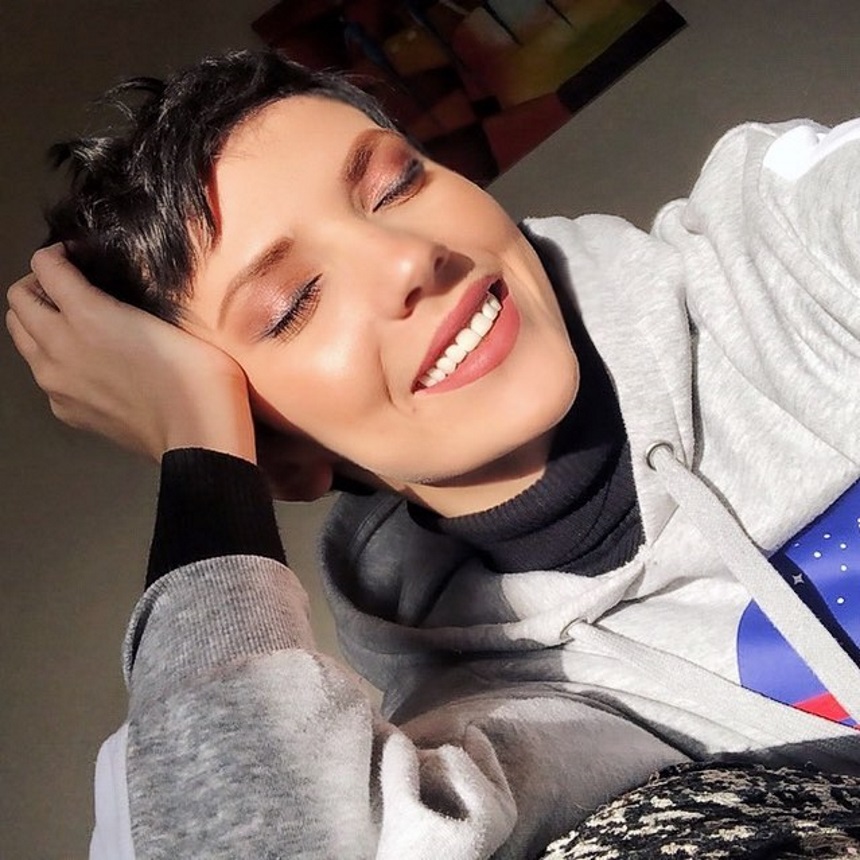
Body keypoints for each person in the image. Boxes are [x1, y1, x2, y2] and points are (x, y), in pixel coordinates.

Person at [6, 49, 860, 859]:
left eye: (396, 185)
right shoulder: (496, 710)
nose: (409, 258)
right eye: (294, 303)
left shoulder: (780, 244)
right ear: (281, 459)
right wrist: (201, 460)